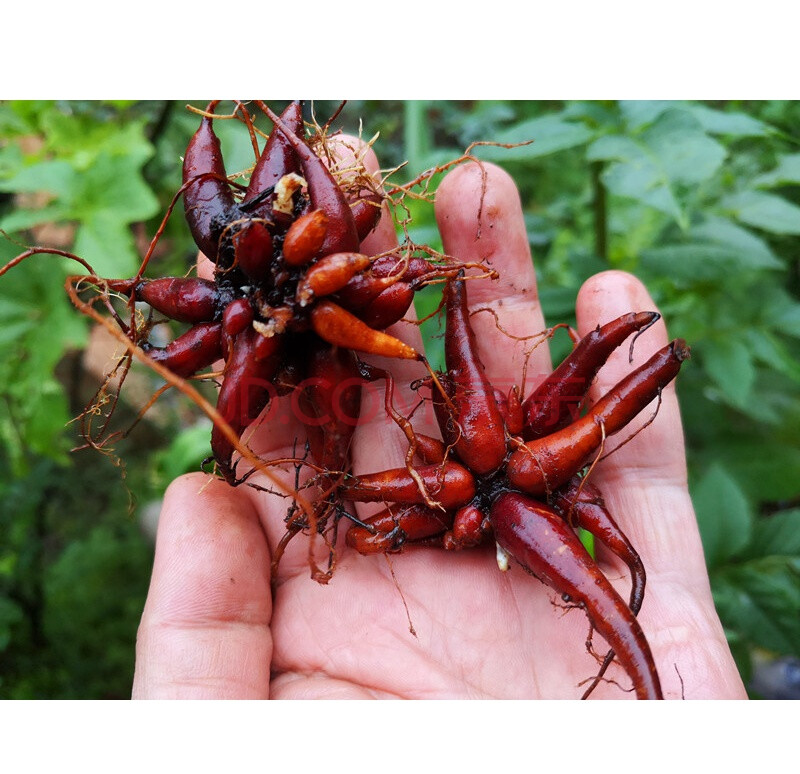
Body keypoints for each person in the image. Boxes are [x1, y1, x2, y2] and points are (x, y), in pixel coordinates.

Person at [131, 141, 747, 700]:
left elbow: (574, 406)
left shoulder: (485, 476)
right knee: (578, 420)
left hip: (480, 477)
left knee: (580, 415)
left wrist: (362, 490)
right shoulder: (471, 470)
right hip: (471, 474)